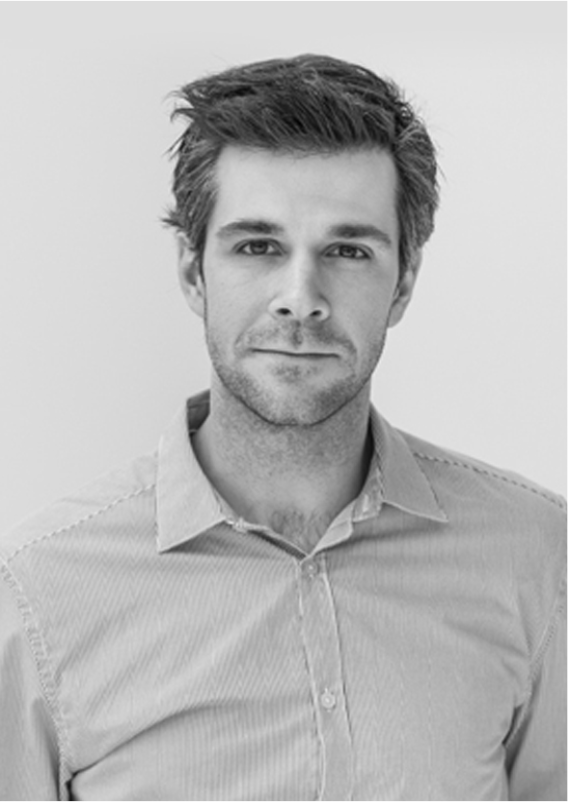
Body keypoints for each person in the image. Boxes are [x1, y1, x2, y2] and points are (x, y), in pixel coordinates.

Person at [0, 54, 566, 801]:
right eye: (257, 246)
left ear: (404, 282)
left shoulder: (537, 559)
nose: (301, 297)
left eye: (348, 250)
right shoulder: (38, 594)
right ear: (192, 271)